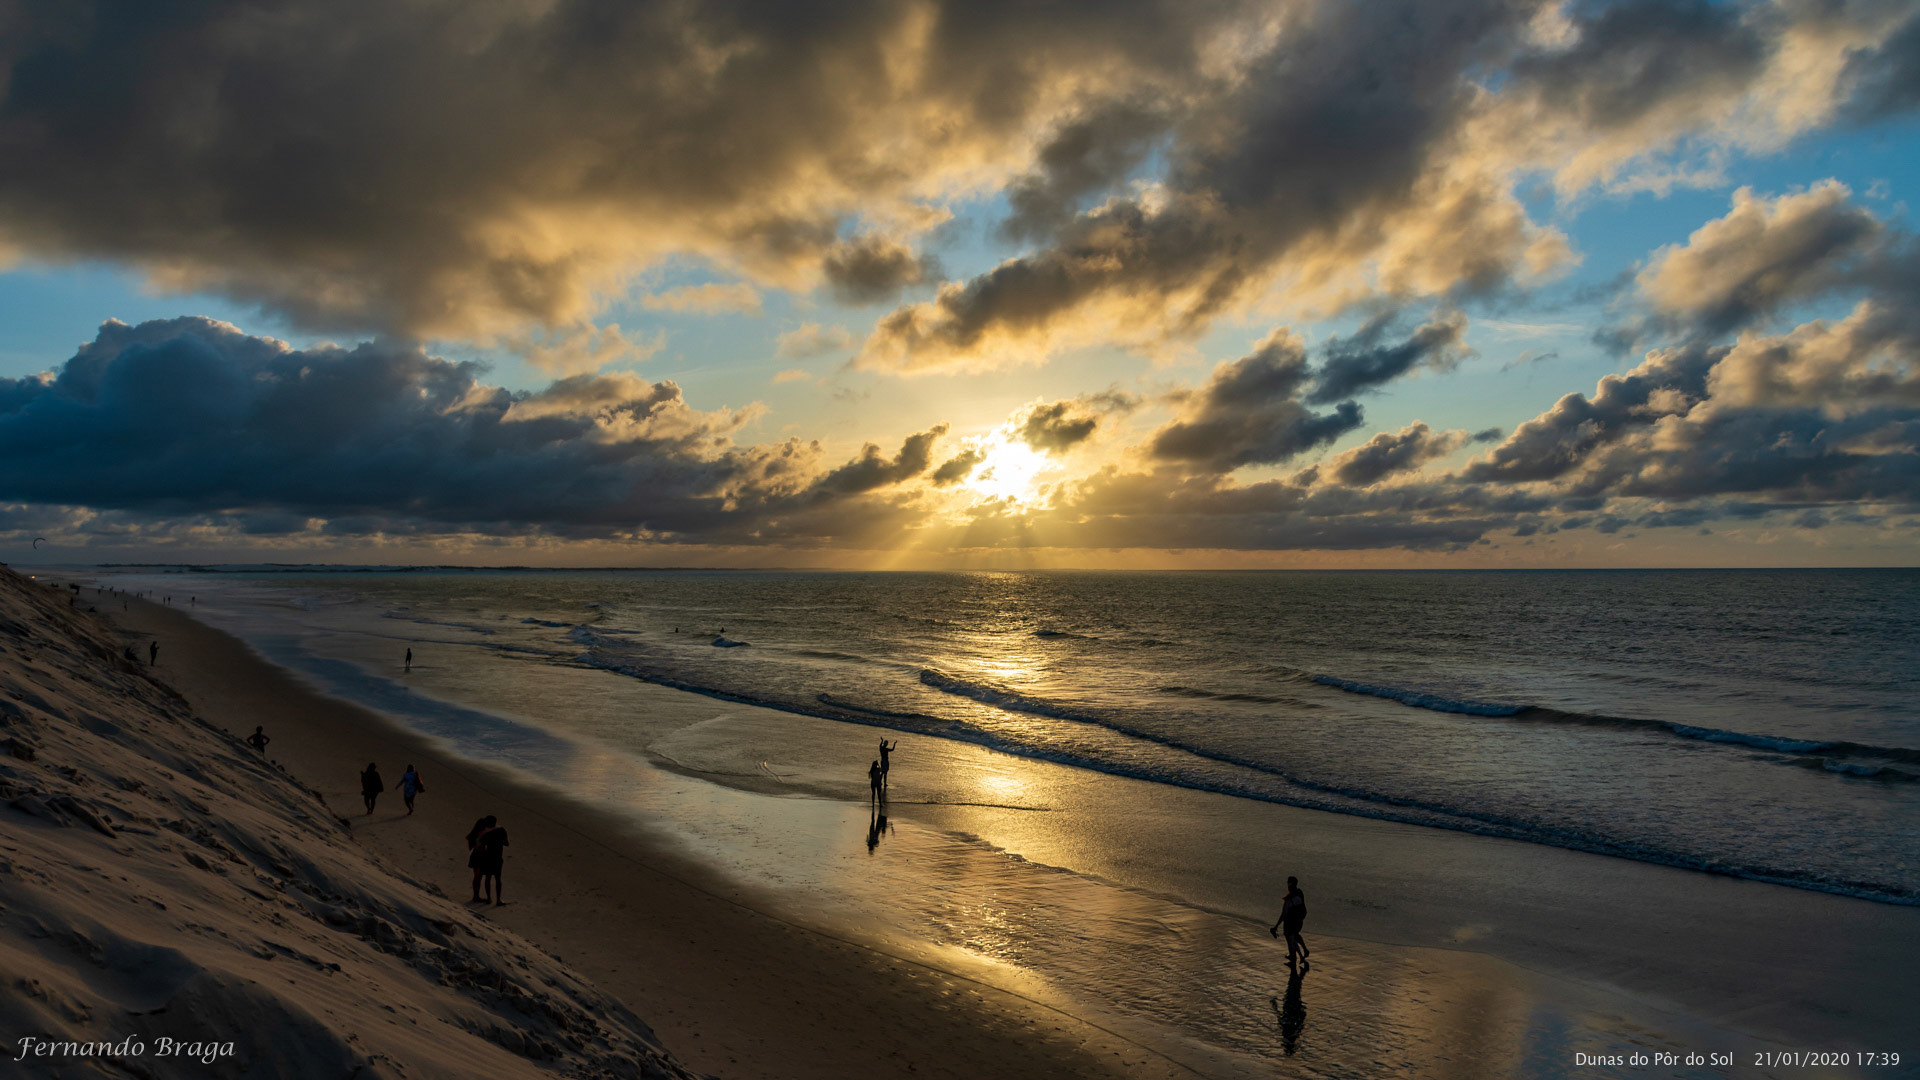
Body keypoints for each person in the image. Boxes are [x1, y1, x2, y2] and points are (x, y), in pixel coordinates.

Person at [1270, 875, 1309, 967]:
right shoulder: (1300, 893)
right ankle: (1302, 952)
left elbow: (1283, 914)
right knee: (1295, 936)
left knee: (1290, 940)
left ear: (1290, 884)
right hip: (1299, 921)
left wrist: (1276, 927)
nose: (1288, 885)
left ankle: (1293, 959)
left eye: (1288, 883)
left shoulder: (1289, 900)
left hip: (1290, 922)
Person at [475, 818, 509, 904]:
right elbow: (507, 843)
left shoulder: (486, 833)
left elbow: (478, 842)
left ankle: (489, 898)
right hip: (498, 857)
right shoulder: (502, 830)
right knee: (498, 878)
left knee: (488, 878)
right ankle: (498, 899)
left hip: (488, 857)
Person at [465, 815, 496, 901]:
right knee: (480, 877)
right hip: (480, 856)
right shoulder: (482, 833)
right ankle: (477, 897)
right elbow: (480, 845)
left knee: (477, 876)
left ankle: (476, 896)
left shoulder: (476, 832)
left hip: (476, 855)